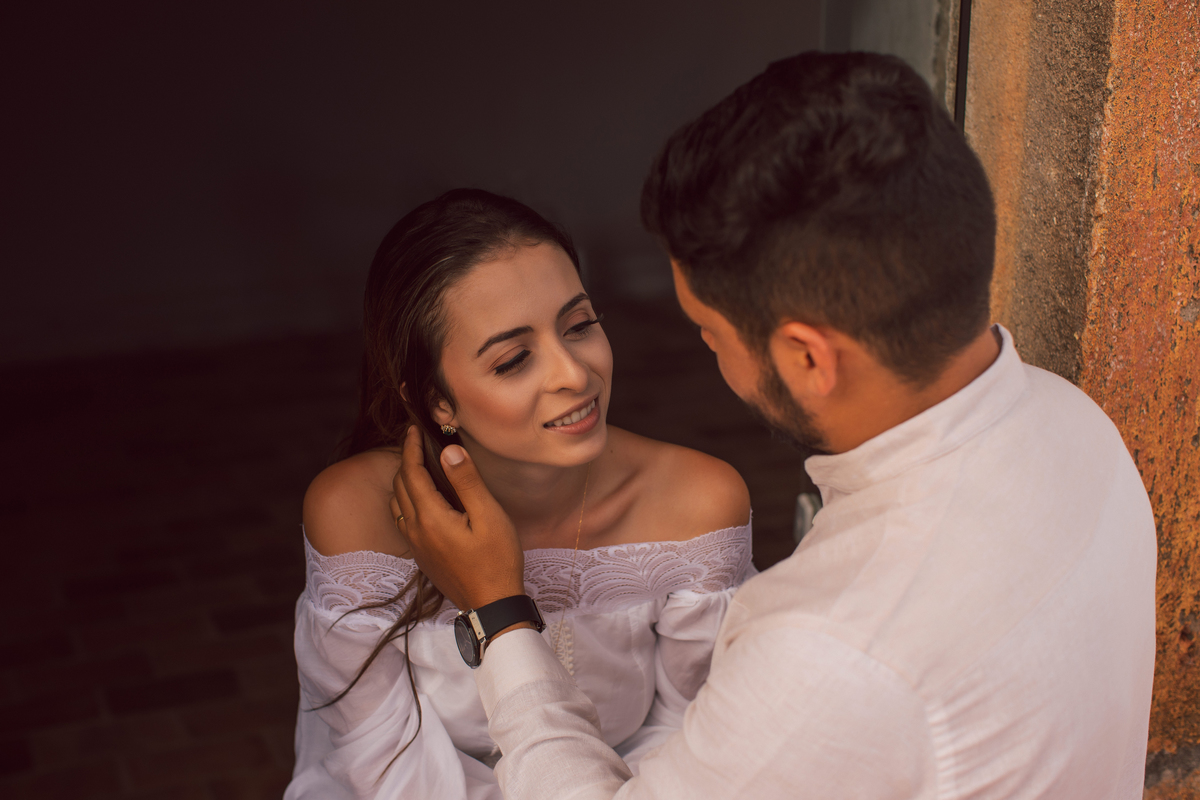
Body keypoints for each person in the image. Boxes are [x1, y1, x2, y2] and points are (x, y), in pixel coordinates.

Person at [394, 53, 1158, 798]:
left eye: (710, 333)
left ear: (806, 359)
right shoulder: (1074, 423)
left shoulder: (829, 655)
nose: (707, 354)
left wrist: (500, 617)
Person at [284, 188, 753, 799]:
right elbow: (369, 766)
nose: (574, 374)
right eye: (513, 361)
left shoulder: (697, 503)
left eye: (580, 325)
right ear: (435, 401)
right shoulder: (356, 513)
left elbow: (698, 741)